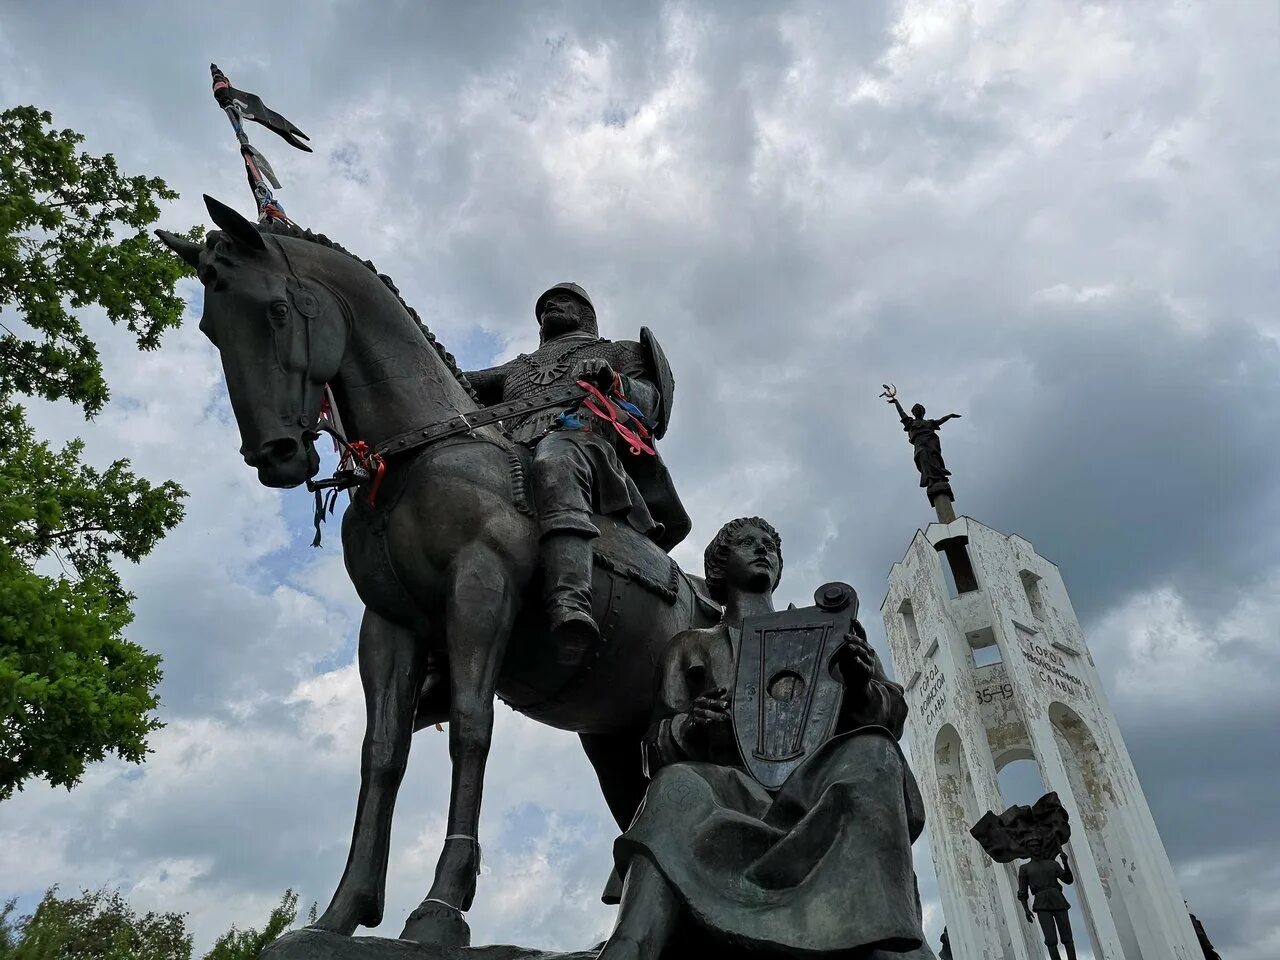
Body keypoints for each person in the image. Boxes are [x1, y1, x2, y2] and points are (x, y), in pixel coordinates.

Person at [598, 517, 934, 960]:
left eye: (770, 546)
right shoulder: (691, 647)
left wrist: (859, 685)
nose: (763, 551)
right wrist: (692, 725)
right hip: (730, 790)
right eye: (747, 544)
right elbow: (655, 746)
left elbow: (889, 717)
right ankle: (632, 943)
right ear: (719, 565)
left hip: (815, 788)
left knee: (874, 753)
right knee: (674, 786)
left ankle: (877, 938)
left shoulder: (829, 629)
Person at [463, 284, 688, 658]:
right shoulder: (516, 367)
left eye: (561, 301)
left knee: (556, 459)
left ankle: (570, 597)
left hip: (584, 440)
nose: (550, 306)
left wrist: (615, 380)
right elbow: (455, 381)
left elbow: (650, 403)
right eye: (543, 307)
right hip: (513, 448)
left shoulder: (618, 350)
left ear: (585, 312)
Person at [1017, 840, 1076, 960]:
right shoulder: (1024, 868)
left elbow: (1068, 880)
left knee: (1067, 937)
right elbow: (1022, 892)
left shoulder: (1053, 864)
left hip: (1058, 900)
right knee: (1050, 939)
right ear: (1028, 850)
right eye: (1033, 846)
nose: (1036, 848)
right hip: (1041, 903)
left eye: (1038, 846)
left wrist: (1065, 863)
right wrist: (1026, 910)